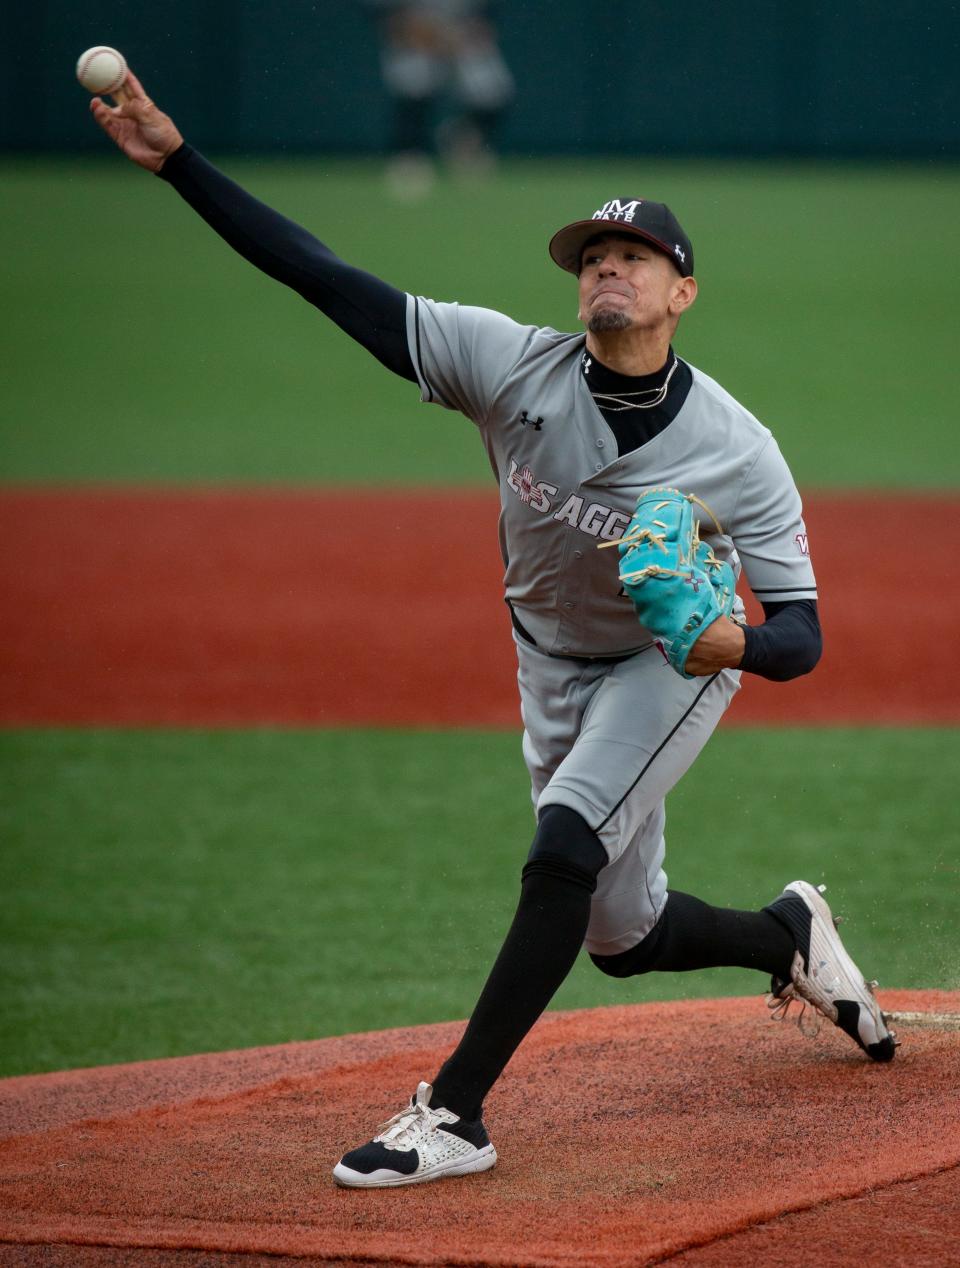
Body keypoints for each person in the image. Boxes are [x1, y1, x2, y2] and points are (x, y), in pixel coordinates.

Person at [89, 71, 897, 1191]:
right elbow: (324, 278)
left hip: (668, 667)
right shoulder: (506, 363)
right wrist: (180, 161)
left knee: (563, 845)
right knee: (620, 932)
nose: (605, 267)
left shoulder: (738, 450)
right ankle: (788, 933)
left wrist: (735, 648)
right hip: (549, 662)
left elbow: (802, 633)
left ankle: (456, 1112)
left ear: (682, 293)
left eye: (634, 257)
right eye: (591, 258)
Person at [361, 0, 514, 196]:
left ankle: (465, 139)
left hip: (463, 35)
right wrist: (411, 30)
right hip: (413, 37)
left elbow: (486, 14)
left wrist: (472, 31)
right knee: (413, 82)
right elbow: (383, 13)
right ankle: (410, 155)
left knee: (493, 90)